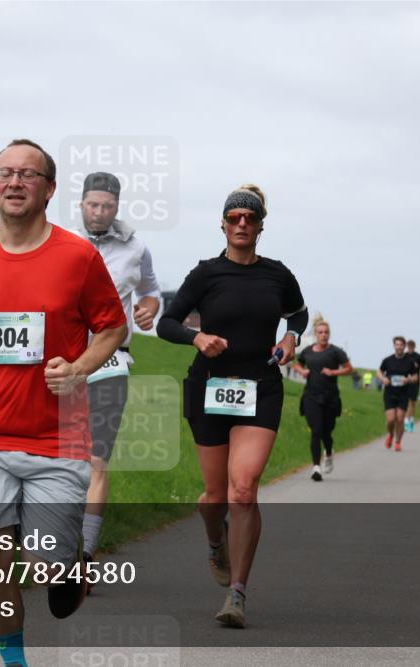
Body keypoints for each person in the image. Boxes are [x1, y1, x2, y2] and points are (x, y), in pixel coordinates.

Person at [0, 139, 128, 667]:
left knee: (45, 569)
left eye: (28, 174)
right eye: (5, 173)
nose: (15, 181)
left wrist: (79, 368)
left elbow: (112, 327)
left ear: (49, 189)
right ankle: (15, 663)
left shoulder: (78, 256)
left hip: (58, 438)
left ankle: (72, 565)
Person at [157, 183, 308, 628]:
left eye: (250, 217)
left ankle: (237, 594)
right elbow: (166, 322)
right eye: (234, 217)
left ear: (261, 226)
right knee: (214, 496)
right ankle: (214, 543)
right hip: (209, 387)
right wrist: (197, 337)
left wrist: (290, 338)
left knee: (243, 488)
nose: (242, 223)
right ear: (222, 224)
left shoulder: (278, 275)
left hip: (260, 385)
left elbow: (297, 314)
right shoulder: (206, 273)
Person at [74, 171, 161, 578]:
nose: (99, 212)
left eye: (107, 206)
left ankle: (85, 556)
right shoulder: (60, 242)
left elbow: (151, 289)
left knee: (96, 460)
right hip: (64, 362)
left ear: (117, 207)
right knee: (53, 459)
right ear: (81, 204)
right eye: (93, 204)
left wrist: (150, 307)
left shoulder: (135, 246)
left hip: (111, 362)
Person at [293, 317, 353, 481]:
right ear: (316, 334)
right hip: (311, 397)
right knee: (316, 430)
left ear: (329, 334)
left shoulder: (336, 352)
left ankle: (328, 452)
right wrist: (302, 371)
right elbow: (296, 364)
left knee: (327, 432)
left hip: (331, 398)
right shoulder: (308, 351)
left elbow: (349, 369)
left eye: (326, 332)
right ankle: (316, 468)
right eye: (320, 332)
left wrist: (334, 372)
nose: (323, 335)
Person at [376, 336, 419, 451]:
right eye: (397, 345)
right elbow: (379, 371)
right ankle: (390, 434)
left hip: (403, 393)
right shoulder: (387, 360)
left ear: (404, 346)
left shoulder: (410, 361)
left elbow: (415, 377)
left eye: (401, 345)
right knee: (390, 420)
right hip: (389, 393)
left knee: (400, 419)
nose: (399, 347)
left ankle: (398, 442)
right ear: (394, 346)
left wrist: (408, 380)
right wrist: (383, 379)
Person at [403, 340, 420, 432]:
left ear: (414, 347)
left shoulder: (418, 356)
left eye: (412, 347)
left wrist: (418, 366)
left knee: (413, 403)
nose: (410, 348)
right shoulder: (404, 356)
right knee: (406, 402)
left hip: (415, 382)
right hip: (405, 382)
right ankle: (406, 422)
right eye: (408, 346)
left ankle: (412, 421)